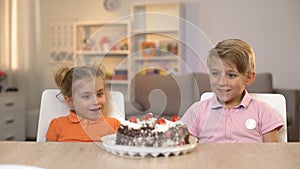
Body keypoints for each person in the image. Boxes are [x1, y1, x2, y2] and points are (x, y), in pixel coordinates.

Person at [181, 39, 283, 143]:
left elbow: (273, 153)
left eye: (231, 75)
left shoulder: (263, 111)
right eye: (215, 73)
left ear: (249, 78)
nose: (222, 82)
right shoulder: (197, 111)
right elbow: (185, 150)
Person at [46, 65, 121, 142]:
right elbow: (47, 152)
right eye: (86, 97)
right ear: (70, 101)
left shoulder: (114, 125)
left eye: (99, 94)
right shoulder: (57, 126)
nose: (96, 101)